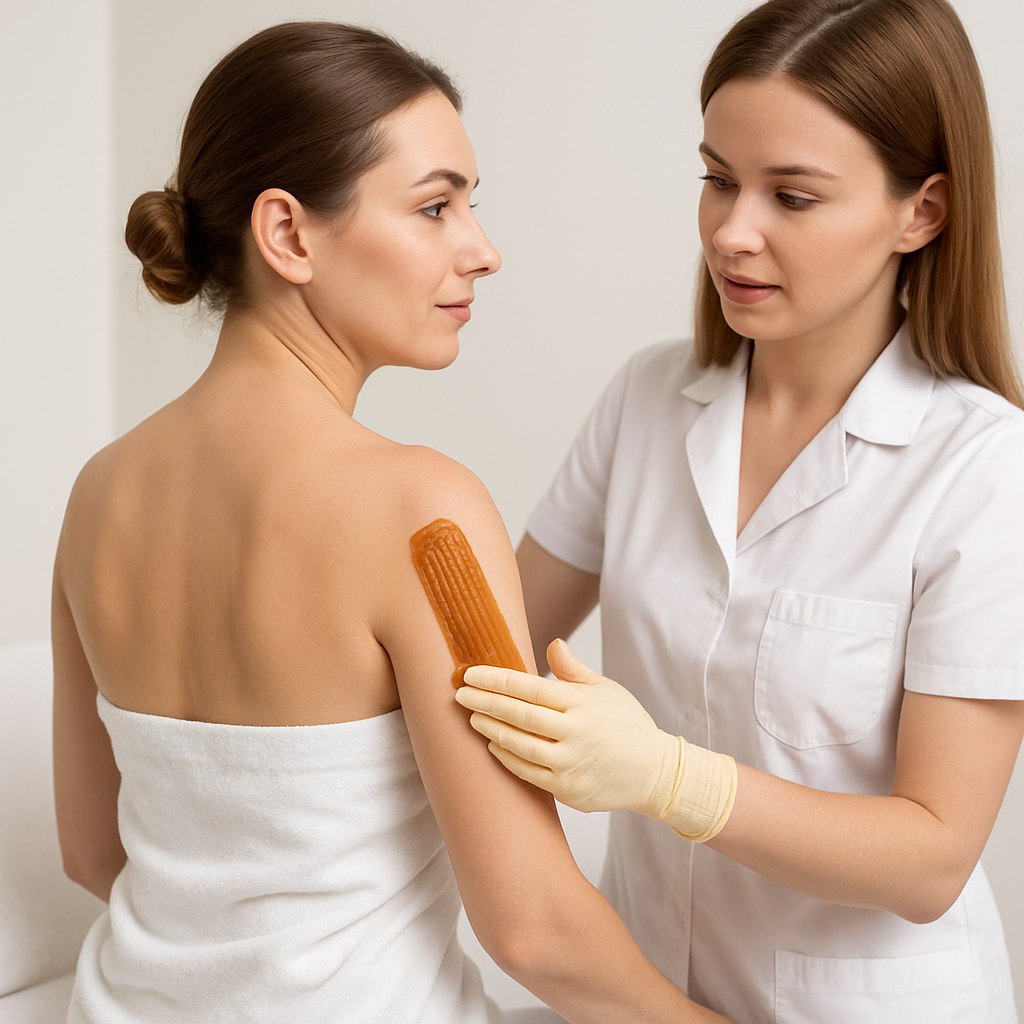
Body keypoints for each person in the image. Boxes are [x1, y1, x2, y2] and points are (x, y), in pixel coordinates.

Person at [51, 21, 729, 1024]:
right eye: (435, 206)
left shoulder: (98, 493)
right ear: (288, 235)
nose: (482, 251)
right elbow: (533, 928)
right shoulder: (421, 510)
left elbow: (91, 852)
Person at [454, 0, 1024, 1020]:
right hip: (644, 997)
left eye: (791, 196)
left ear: (922, 212)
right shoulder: (646, 399)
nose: (731, 232)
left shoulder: (982, 467)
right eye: (717, 179)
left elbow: (933, 856)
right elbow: (490, 652)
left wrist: (671, 780)